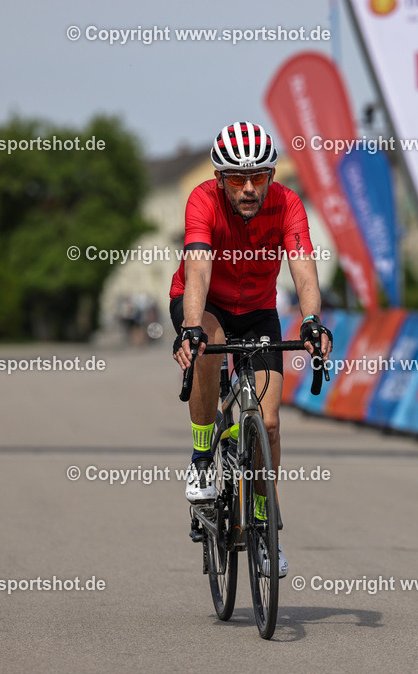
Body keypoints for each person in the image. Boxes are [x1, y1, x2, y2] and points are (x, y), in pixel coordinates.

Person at [169, 121, 332, 578]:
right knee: (210, 345)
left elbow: (303, 265)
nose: (247, 188)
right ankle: (203, 457)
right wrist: (191, 327)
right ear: (219, 178)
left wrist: (311, 319)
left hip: (258, 309)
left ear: (272, 176)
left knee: (271, 421)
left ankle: (263, 519)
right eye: (237, 179)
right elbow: (198, 267)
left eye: (258, 177)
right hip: (205, 303)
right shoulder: (202, 200)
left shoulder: (287, 204)